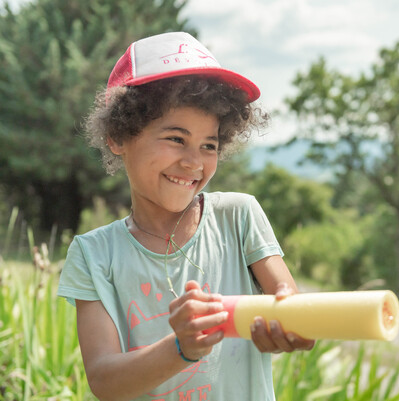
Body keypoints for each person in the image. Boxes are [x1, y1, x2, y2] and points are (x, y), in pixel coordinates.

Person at [57, 31, 314, 401]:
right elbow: (104, 381)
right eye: (176, 138)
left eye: (209, 145)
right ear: (118, 136)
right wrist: (181, 348)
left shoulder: (238, 216)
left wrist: (295, 324)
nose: (194, 162)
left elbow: (289, 302)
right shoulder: (93, 255)